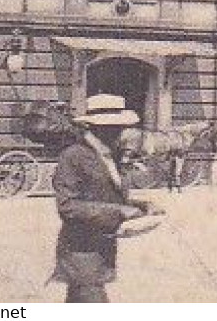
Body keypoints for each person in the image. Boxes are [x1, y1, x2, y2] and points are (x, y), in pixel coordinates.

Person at [50, 94, 159, 303]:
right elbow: (68, 206)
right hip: (80, 253)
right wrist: (120, 212)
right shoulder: (73, 156)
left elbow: (105, 196)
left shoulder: (108, 156)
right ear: (96, 128)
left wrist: (141, 205)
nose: (120, 132)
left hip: (100, 250)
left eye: (120, 127)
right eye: (114, 127)